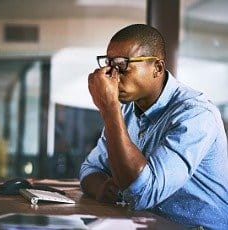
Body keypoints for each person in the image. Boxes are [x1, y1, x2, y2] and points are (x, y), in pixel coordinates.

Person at [79, 24, 228, 229]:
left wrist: (109, 107)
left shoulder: (196, 114)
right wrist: (102, 187)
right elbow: (90, 168)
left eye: (122, 65)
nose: (112, 75)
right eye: (109, 64)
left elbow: (143, 193)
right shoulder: (128, 111)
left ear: (157, 68)